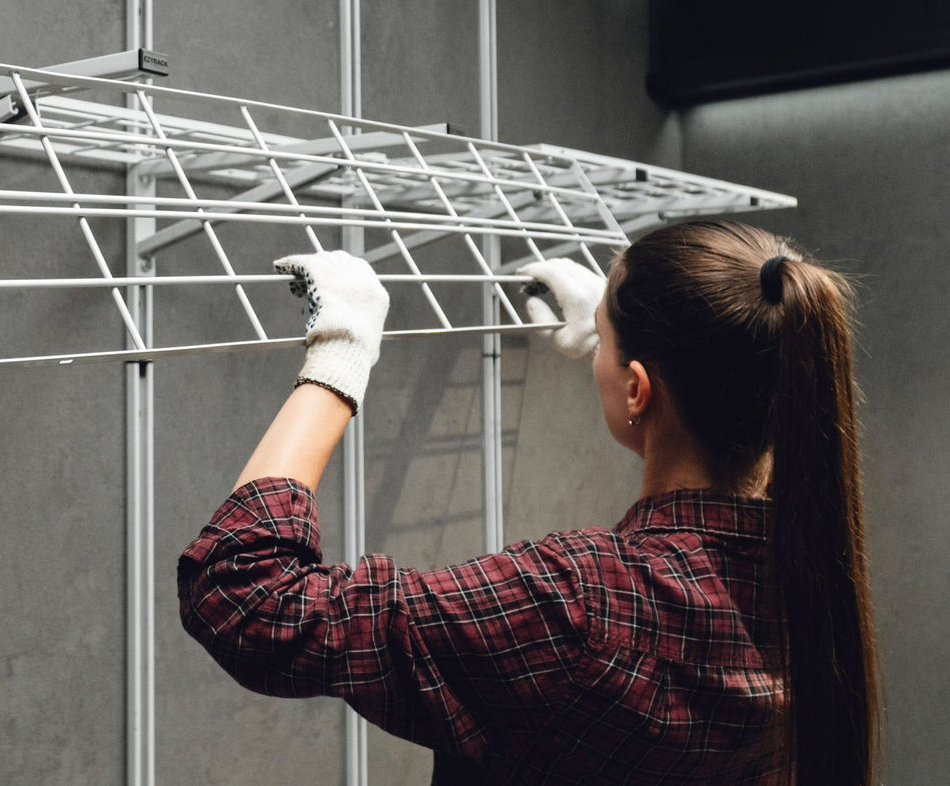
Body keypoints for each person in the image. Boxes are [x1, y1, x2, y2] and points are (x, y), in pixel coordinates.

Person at [178, 221, 879, 784]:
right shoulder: (809, 577)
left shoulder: (574, 603)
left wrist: (340, 352)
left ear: (638, 388)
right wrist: (607, 348)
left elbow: (245, 596)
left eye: (602, 336)